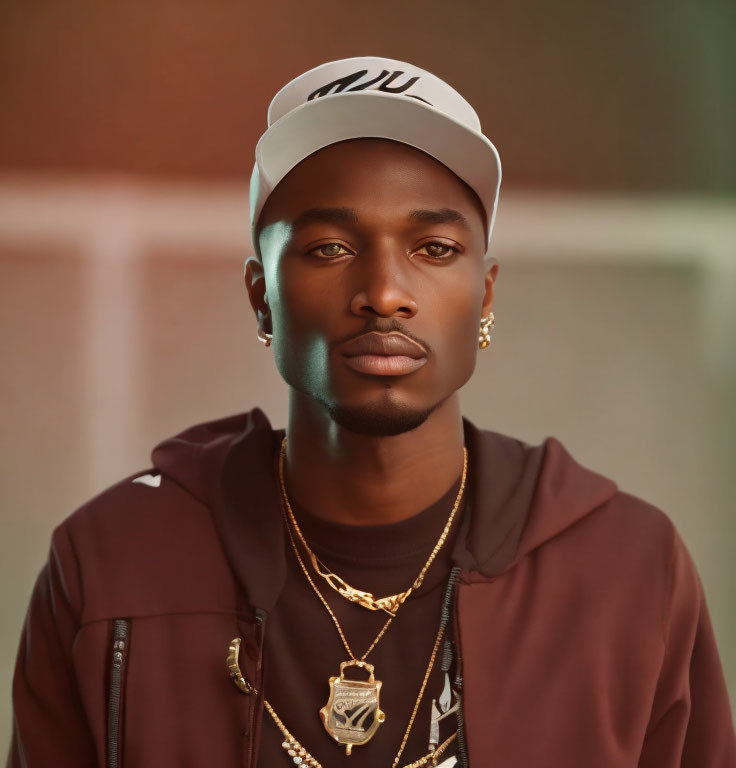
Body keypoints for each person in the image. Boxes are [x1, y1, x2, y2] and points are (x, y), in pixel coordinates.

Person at [8, 57, 735, 768]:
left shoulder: (627, 570)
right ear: (262, 296)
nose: (385, 291)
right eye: (329, 247)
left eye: (434, 247)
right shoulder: (111, 563)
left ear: (484, 297)